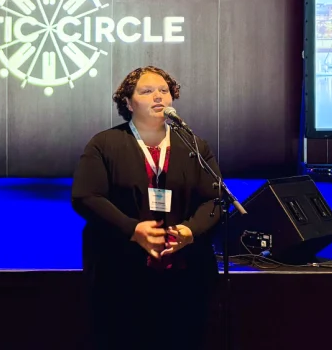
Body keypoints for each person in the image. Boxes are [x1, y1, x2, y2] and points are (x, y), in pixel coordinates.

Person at [71, 66, 222, 350]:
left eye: (164, 91)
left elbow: (214, 199)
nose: (158, 97)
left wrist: (190, 230)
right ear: (128, 103)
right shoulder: (105, 143)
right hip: (120, 273)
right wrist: (133, 229)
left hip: (184, 272)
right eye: (147, 91)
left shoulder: (194, 146)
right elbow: (86, 197)